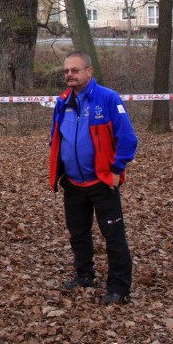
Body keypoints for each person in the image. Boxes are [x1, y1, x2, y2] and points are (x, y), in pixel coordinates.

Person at [48, 51, 138, 305]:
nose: (69, 75)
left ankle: (119, 288)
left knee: (113, 236)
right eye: (66, 71)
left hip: (102, 182)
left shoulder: (107, 99)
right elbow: (57, 136)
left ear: (89, 71)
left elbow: (128, 139)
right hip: (73, 183)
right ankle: (84, 274)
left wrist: (117, 169)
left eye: (75, 70)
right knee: (78, 233)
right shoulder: (63, 101)